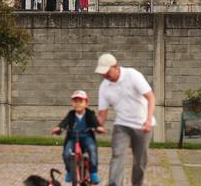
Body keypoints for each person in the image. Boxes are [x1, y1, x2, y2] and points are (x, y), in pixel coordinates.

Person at [95, 53, 156, 186]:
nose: (105, 76)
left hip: (142, 125)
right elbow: (102, 113)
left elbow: (151, 97)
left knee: (140, 161)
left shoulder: (132, 75)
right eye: (102, 73)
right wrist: (96, 127)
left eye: (107, 72)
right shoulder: (104, 87)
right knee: (117, 155)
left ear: (115, 67)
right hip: (121, 125)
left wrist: (148, 120)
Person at [51, 90, 106, 184]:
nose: (78, 104)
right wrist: (59, 127)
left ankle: (93, 172)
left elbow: (94, 122)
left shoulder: (89, 114)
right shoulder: (71, 114)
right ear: (72, 103)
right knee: (66, 153)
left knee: (92, 149)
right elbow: (65, 122)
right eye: (75, 101)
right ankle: (69, 171)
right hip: (72, 137)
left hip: (87, 136)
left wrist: (98, 127)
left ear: (86, 103)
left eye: (81, 101)